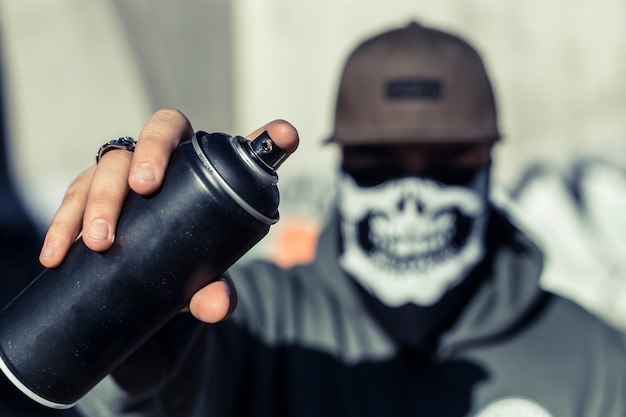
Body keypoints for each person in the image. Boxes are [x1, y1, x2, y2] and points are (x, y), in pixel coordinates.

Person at [34, 21, 626, 417]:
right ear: (341, 163)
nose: (411, 196)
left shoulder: (599, 363)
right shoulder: (251, 321)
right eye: (376, 163)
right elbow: (150, 398)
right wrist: (121, 312)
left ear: (489, 161)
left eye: (448, 163)